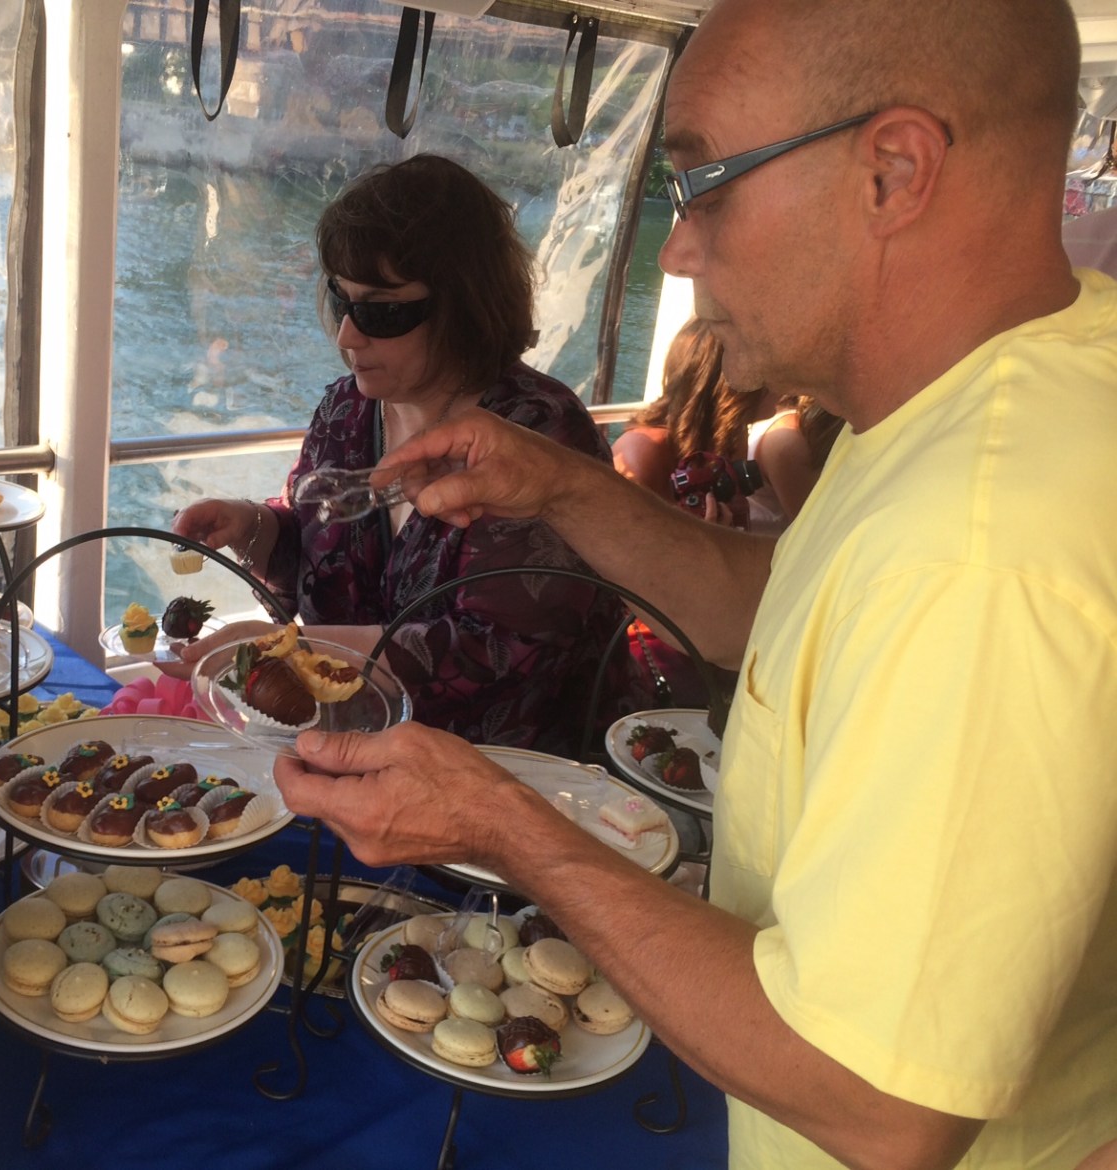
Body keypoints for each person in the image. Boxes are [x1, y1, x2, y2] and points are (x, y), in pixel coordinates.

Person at [272, 2, 1117, 1168]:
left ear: (895, 171)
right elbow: (790, 609)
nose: (675, 249)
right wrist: (564, 489)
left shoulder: (978, 546)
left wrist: (497, 822)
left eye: (703, 183)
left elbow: (878, 1102)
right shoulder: (997, 395)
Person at [168, 154, 638, 756]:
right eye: (341, 301)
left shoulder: (542, 433)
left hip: (509, 780)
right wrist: (254, 526)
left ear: (465, 305)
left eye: (381, 311)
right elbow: (321, 551)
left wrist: (290, 650)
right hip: (352, 761)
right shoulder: (345, 409)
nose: (346, 336)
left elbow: (492, 650)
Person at [613, 316, 824, 534]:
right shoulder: (641, 454)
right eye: (770, 368)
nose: (782, 380)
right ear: (733, 385)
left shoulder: (731, 439)